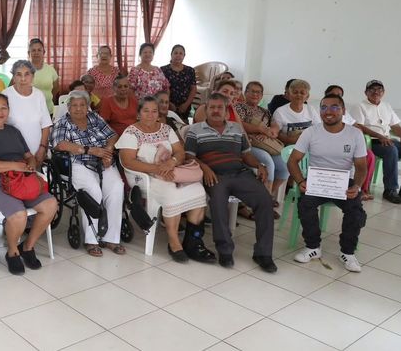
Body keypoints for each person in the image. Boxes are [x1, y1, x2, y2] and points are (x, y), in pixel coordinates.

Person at [185, 93, 277, 273]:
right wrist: (205, 168)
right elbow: (189, 157)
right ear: (206, 109)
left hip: (240, 173)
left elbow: (246, 155)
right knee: (218, 204)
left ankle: (263, 253)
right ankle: (225, 250)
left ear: (226, 110)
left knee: (265, 201)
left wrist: (260, 165)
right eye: (212, 107)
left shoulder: (236, 128)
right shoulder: (195, 130)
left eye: (220, 107)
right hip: (215, 175)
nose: (216, 111)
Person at [118, 96, 215, 263]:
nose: (150, 115)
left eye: (154, 111)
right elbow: (128, 162)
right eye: (146, 111)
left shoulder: (166, 129)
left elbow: (180, 151)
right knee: (171, 194)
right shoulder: (131, 132)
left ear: (158, 113)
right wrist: (158, 169)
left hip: (171, 171)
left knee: (198, 191)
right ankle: (174, 242)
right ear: (138, 113)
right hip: (145, 177)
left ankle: (193, 241)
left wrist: (172, 162)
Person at [0, 94, 58, 275]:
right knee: (18, 214)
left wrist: (31, 164)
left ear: (9, 111)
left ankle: (27, 246)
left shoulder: (13, 131)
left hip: (21, 180)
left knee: (51, 205)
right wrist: (14, 166)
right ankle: (12, 252)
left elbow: (28, 156)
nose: (0, 112)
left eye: (4, 108)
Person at [288, 94, 367, 272]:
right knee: (305, 204)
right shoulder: (311, 132)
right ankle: (313, 247)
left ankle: (347, 252)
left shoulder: (355, 134)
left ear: (343, 111)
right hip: (317, 181)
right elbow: (292, 161)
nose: (328, 111)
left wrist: (357, 186)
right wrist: (300, 181)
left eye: (334, 107)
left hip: (343, 182)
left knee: (355, 209)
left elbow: (361, 166)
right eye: (323, 107)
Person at [51, 91, 126, 257]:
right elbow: (59, 144)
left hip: (103, 161)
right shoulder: (63, 122)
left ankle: (111, 238)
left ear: (88, 106)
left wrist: (108, 151)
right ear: (68, 107)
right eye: (74, 105)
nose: (78, 108)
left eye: (82, 105)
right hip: (78, 163)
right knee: (93, 192)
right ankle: (91, 240)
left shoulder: (95, 118)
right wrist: (88, 150)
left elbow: (113, 135)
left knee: (117, 188)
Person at [350, 80, 401, 204]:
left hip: (388, 140)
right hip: (372, 142)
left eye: (379, 89)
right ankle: (390, 190)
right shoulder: (359, 106)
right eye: (372, 89)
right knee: (391, 150)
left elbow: (395, 125)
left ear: (383, 92)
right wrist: (379, 136)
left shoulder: (386, 106)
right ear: (366, 92)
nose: (376, 92)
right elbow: (359, 126)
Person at [236, 81, 288, 207]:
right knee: (267, 162)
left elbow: (274, 127)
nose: (255, 94)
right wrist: (260, 129)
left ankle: (266, 195)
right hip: (248, 143)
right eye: (252, 91)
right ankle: (265, 204)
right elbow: (239, 125)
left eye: (258, 92)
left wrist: (268, 133)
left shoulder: (265, 111)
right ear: (245, 93)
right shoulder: (239, 107)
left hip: (265, 143)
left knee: (284, 166)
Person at [326, 85, 375, 201]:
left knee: (369, 155)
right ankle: (347, 187)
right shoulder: (324, 110)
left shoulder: (343, 111)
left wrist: (358, 139)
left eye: (339, 95)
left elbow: (356, 126)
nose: (336, 96)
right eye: (333, 94)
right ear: (326, 94)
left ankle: (362, 189)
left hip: (350, 142)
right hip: (333, 143)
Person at [3, 60, 53, 164]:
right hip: (13, 154)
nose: (23, 79)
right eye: (18, 74)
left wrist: (42, 148)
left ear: (32, 76)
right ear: (13, 77)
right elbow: (0, 126)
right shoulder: (5, 95)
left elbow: (45, 125)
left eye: (27, 74)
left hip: (37, 152)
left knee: (36, 174)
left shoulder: (39, 95)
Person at [272, 79, 320, 146]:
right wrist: (292, 140)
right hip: (287, 148)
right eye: (295, 92)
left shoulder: (311, 109)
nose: (298, 95)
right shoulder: (280, 112)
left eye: (302, 93)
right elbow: (276, 133)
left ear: (307, 97)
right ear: (289, 95)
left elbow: (318, 129)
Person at [161, 44, 197, 122]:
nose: (178, 55)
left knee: (183, 126)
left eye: (181, 53)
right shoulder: (163, 70)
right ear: (171, 54)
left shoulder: (190, 70)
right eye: (176, 53)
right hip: (167, 106)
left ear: (184, 56)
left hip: (185, 107)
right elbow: (160, 90)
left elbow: (193, 89)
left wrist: (186, 105)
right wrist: (169, 103)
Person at [27, 38, 60, 114]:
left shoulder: (51, 69)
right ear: (29, 53)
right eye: (33, 50)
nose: (36, 53)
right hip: (28, 111)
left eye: (39, 50)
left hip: (48, 110)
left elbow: (56, 88)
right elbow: (12, 88)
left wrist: (48, 98)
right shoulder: (22, 69)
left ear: (43, 52)